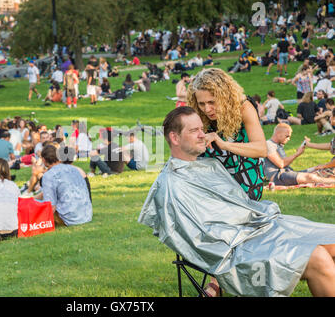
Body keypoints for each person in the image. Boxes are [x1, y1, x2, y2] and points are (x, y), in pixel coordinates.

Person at [139, 106, 335, 297]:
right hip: (237, 249)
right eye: (194, 131)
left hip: (261, 227)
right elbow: (198, 241)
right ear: (174, 137)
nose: (202, 135)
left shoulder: (209, 165)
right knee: (317, 258)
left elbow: (240, 205)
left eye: (201, 129)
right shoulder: (171, 185)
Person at [187, 68, 267, 201]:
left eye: (212, 102)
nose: (207, 109)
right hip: (212, 176)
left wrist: (224, 145)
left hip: (243, 176)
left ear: (225, 96)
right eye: (202, 104)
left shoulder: (244, 108)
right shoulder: (198, 112)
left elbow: (261, 149)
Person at [34, 144, 92, 227]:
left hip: (71, 219)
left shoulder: (48, 176)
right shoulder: (73, 169)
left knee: (34, 205)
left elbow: (50, 207)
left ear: (43, 160)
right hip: (87, 215)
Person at [264, 123, 335, 186]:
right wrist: (297, 154)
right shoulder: (269, 144)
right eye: (287, 136)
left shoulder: (279, 145)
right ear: (278, 133)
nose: (288, 139)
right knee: (310, 177)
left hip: (287, 173)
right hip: (278, 176)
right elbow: (281, 164)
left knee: (316, 168)